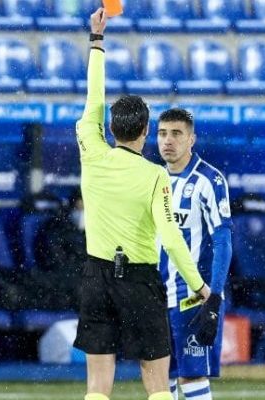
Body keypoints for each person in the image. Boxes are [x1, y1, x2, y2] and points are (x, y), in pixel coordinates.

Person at [72, 9, 214, 400]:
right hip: (139, 282)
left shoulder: (91, 150)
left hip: (96, 277)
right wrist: (200, 286)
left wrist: (96, 41)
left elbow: (93, 98)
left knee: (97, 390)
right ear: (147, 132)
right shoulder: (155, 176)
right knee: (156, 386)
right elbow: (171, 236)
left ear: (110, 127)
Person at [156, 109, 232, 400]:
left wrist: (214, 295)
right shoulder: (153, 178)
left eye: (176, 133)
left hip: (193, 295)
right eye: (162, 133)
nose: (168, 141)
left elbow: (223, 239)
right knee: (160, 374)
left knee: (192, 374)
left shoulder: (208, 180)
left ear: (192, 139)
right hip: (156, 294)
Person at [23, 189, 85, 311]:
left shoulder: (100, 231)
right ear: (72, 206)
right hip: (60, 283)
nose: (83, 212)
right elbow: (56, 264)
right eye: (80, 206)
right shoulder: (55, 227)